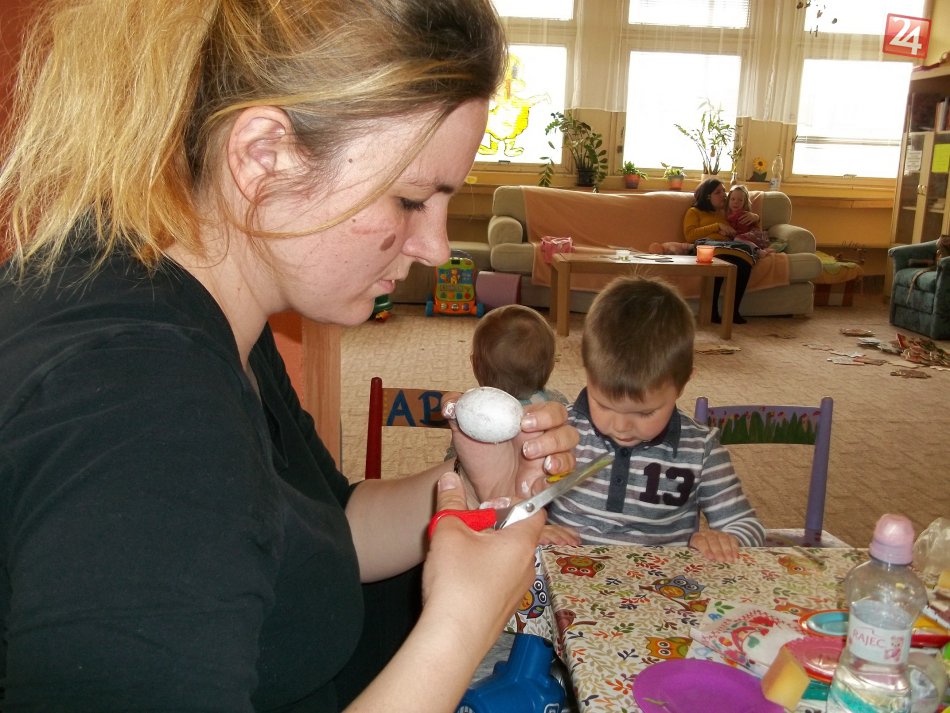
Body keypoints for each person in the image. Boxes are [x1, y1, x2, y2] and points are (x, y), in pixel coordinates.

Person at [0, 1, 580, 710]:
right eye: (410, 200)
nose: (435, 247)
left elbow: (329, 527)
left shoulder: (202, 307)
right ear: (263, 157)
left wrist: (467, 482)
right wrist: (461, 625)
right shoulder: (140, 407)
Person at [547, 276, 766, 562]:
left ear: (682, 384)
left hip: (664, 585)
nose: (621, 427)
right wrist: (534, 528)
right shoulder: (561, 434)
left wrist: (728, 539)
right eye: (603, 405)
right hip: (568, 577)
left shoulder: (702, 450)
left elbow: (747, 525)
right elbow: (517, 505)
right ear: (587, 373)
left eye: (645, 412)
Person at [682, 178, 757, 324]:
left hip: (729, 247)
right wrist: (717, 226)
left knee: (744, 265)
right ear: (708, 196)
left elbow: (747, 230)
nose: (724, 195)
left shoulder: (727, 213)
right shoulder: (694, 212)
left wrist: (756, 218)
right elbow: (690, 236)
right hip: (707, 248)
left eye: (724, 191)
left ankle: (733, 312)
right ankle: (712, 311)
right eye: (718, 192)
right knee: (720, 262)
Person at [726, 184, 773, 257]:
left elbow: (743, 230)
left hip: (755, 235)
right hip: (746, 239)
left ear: (744, 203)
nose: (736, 202)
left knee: (737, 239)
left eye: (740, 200)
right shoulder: (727, 215)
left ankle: (759, 251)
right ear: (728, 200)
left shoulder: (743, 215)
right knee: (737, 241)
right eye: (733, 199)